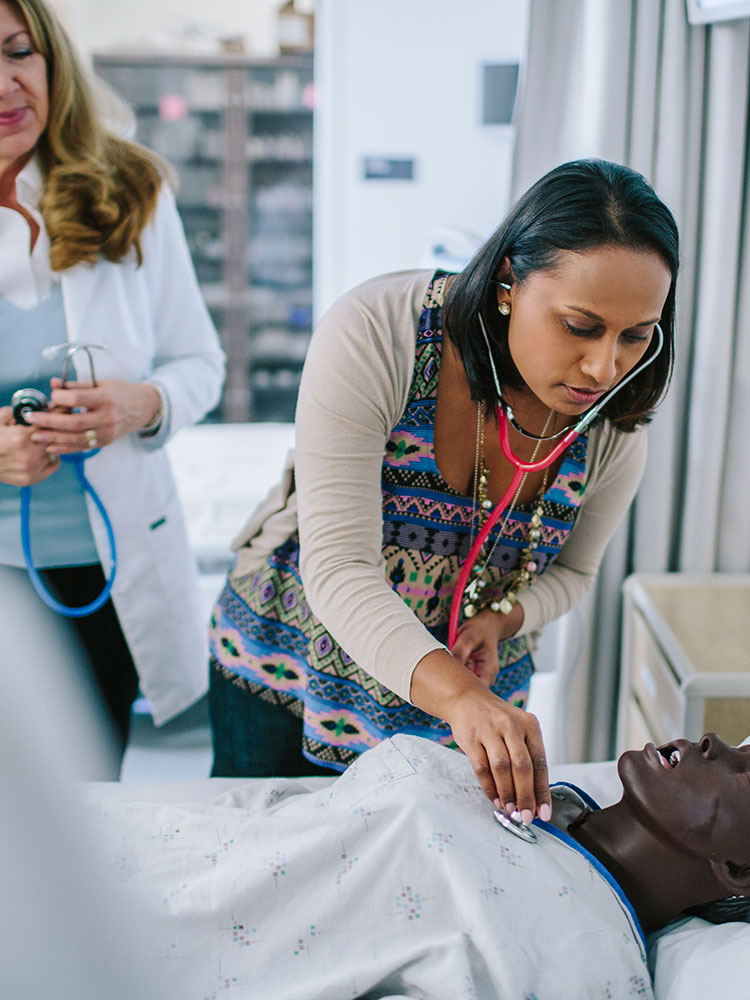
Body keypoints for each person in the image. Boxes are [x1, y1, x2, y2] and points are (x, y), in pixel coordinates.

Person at [209, 158, 678, 822]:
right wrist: (460, 697)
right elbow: (339, 565)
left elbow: (575, 574)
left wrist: (503, 620)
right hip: (292, 665)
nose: (605, 368)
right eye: (580, 326)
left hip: (468, 695)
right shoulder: (379, 332)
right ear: (508, 282)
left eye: (636, 336)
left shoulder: (613, 429)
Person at [85, 731, 750, 1000]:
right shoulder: (531, 795)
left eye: (746, 769)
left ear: (738, 871)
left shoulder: (585, 965)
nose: (716, 740)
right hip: (135, 851)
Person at [0, 0, 225, 770]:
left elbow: (200, 362)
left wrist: (142, 403)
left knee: (90, 794)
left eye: (18, 52)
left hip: (101, 574)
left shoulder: (130, 187)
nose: (5, 84)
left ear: (53, 61)